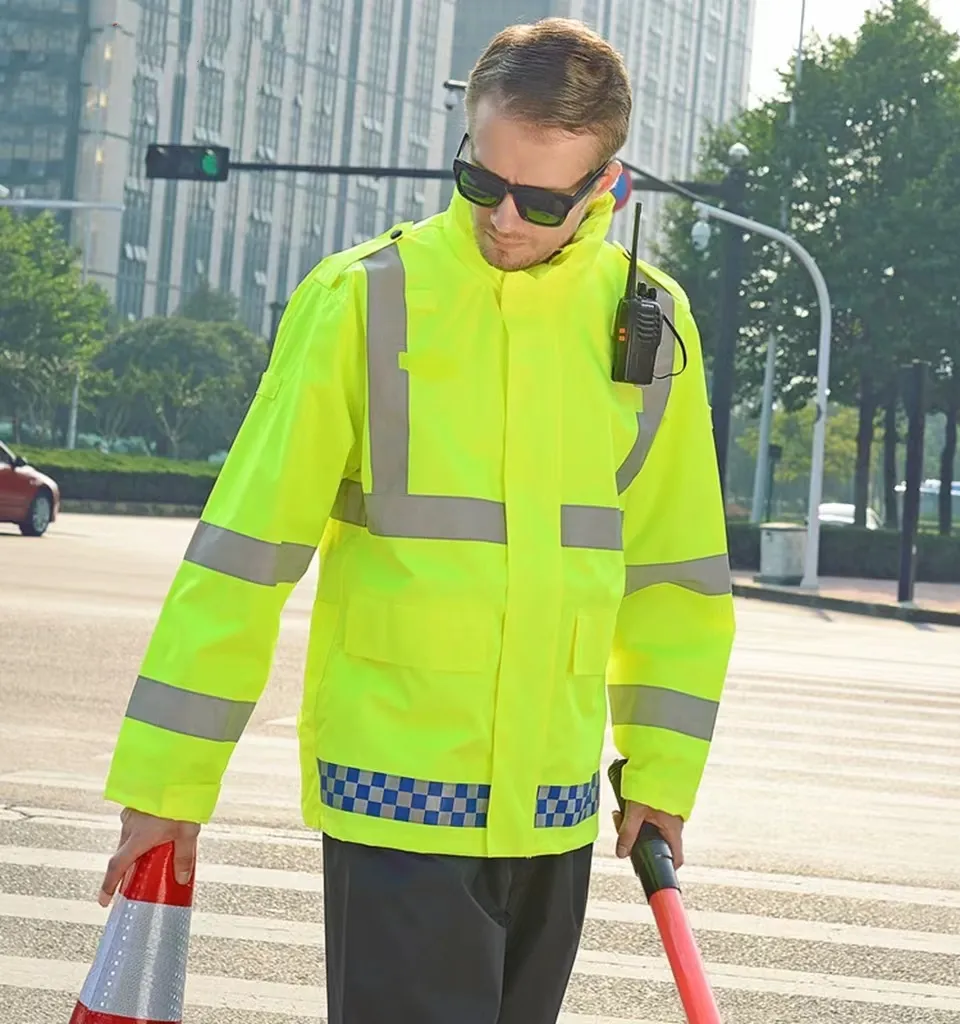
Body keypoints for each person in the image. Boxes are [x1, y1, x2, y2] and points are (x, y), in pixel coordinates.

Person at [98, 17, 735, 1024]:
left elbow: (675, 572)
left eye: (540, 199)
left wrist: (660, 772)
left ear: (606, 188)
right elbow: (241, 557)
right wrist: (169, 783)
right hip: (395, 799)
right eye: (481, 181)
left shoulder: (649, 325)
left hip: (553, 815)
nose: (503, 219)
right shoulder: (362, 301)